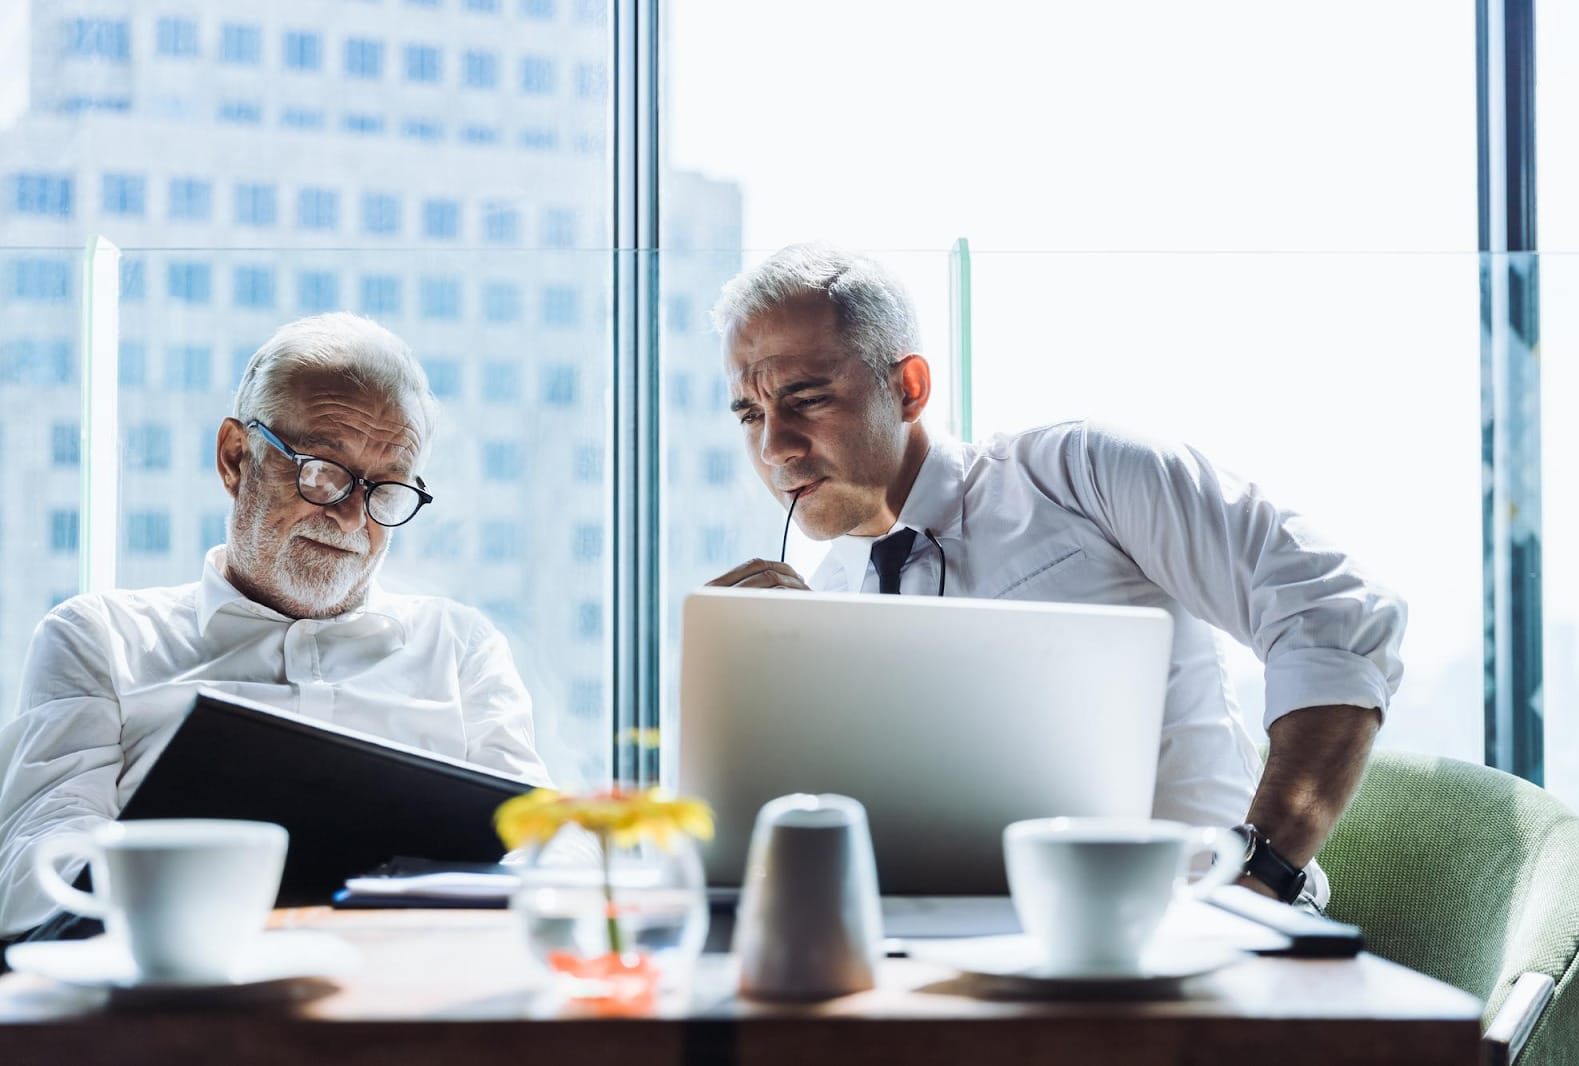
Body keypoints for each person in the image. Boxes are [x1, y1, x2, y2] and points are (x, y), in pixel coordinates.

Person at [706, 243, 1405, 911]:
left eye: (805, 398)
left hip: (1204, 934)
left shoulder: (1086, 475)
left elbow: (1336, 612)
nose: (774, 447)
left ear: (907, 387)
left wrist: (1259, 877)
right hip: (991, 970)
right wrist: (752, 688)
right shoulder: (826, 600)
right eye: (750, 413)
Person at [0, 312, 551, 941]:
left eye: (386, 488)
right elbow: (30, 877)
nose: (350, 519)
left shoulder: (461, 648)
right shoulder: (99, 638)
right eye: (322, 471)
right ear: (237, 458)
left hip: (412, 993)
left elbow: (546, 852)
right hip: (186, 1002)